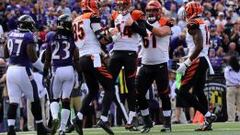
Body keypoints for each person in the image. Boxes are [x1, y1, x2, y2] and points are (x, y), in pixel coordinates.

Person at [71, 0, 120, 135]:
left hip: (82, 58)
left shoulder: (76, 20)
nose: (98, 9)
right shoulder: (92, 17)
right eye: (96, 6)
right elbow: (101, 39)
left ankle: (78, 118)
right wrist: (114, 36)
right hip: (93, 57)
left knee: (93, 91)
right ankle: (103, 118)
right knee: (110, 86)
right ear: (91, 6)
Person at [4, 15, 49, 135]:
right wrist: (45, 69)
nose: (32, 27)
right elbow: (33, 58)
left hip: (11, 70)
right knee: (34, 98)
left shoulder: (11, 34)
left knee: (14, 101)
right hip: (23, 70)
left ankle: (11, 129)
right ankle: (40, 127)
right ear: (27, 25)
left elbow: (5, 53)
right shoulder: (28, 36)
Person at [176, 1, 217, 131]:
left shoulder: (193, 23)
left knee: (182, 91)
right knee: (198, 91)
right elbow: (198, 46)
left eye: (187, 11)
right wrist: (187, 58)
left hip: (198, 60)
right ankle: (207, 122)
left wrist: (187, 63)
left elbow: (198, 46)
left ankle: (207, 115)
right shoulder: (203, 22)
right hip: (203, 59)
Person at [108, 0, 148, 130]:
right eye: (119, 5)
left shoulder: (136, 14)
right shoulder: (115, 15)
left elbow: (144, 32)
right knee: (108, 82)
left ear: (128, 5)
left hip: (131, 52)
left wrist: (134, 24)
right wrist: (110, 31)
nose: (121, 7)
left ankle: (132, 116)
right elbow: (110, 31)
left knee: (130, 84)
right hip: (117, 51)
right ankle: (103, 117)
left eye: (123, 4)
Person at [135, 0, 172, 133]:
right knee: (138, 93)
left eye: (154, 10)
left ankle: (167, 123)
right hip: (145, 64)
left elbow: (161, 33)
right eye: (149, 10)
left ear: (159, 11)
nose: (151, 13)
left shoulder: (165, 21)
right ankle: (147, 121)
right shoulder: (141, 23)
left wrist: (146, 25)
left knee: (163, 95)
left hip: (160, 64)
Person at [43, 14, 81, 135]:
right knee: (66, 100)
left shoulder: (50, 36)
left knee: (54, 98)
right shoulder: (72, 37)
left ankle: (55, 117)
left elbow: (47, 58)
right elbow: (76, 58)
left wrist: (44, 73)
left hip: (57, 70)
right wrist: (79, 74)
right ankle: (62, 129)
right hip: (69, 69)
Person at [224, 56, 240, 122]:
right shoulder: (239, 68)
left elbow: (227, 78)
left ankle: (231, 119)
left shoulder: (227, 69)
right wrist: (238, 83)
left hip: (231, 87)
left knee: (230, 104)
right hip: (239, 86)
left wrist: (235, 83)